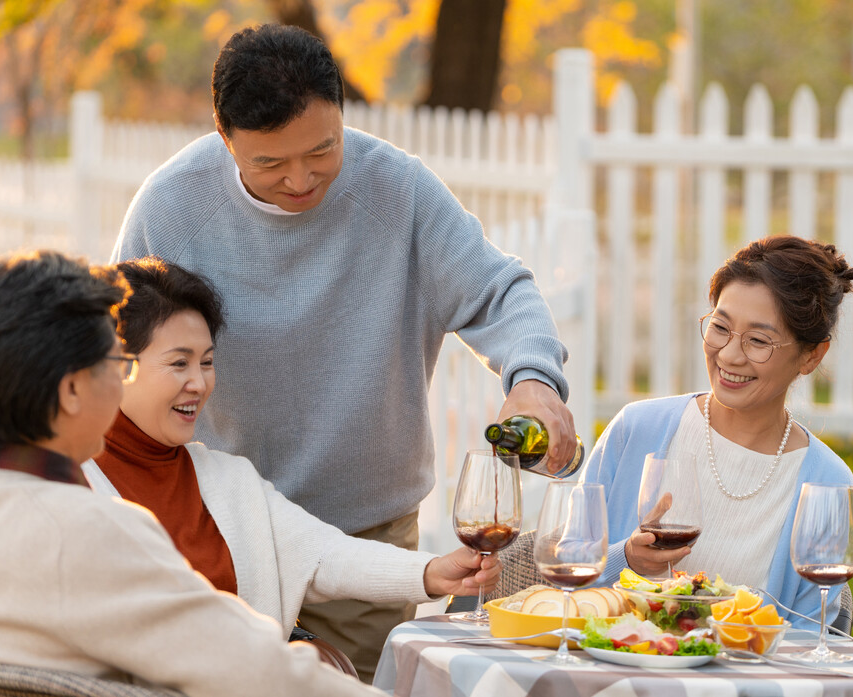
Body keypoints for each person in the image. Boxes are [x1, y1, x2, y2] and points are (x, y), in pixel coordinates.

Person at [111, 22, 576, 678]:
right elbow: (112, 352)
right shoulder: (169, 209)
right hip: (215, 525)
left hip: (367, 534)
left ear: (341, 117)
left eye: (322, 150)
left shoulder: (397, 190)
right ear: (226, 140)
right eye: (270, 162)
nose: (301, 179)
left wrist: (532, 378)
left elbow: (499, 291)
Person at [0, 250, 380, 697]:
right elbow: (249, 670)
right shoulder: (89, 529)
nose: (122, 383)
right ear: (72, 390)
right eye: (118, 365)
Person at [81, 257, 500, 642]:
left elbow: (324, 555)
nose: (199, 382)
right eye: (179, 363)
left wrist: (430, 572)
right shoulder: (70, 482)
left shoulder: (228, 481)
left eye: (206, 362)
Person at [582, 235, 853, 628]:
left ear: (812, 355)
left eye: (759, 340)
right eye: (720, 327)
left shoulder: (827, 484)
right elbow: (561, 570)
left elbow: (812, 642)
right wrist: (624, 560)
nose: (728, 355)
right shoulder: (637, 431)